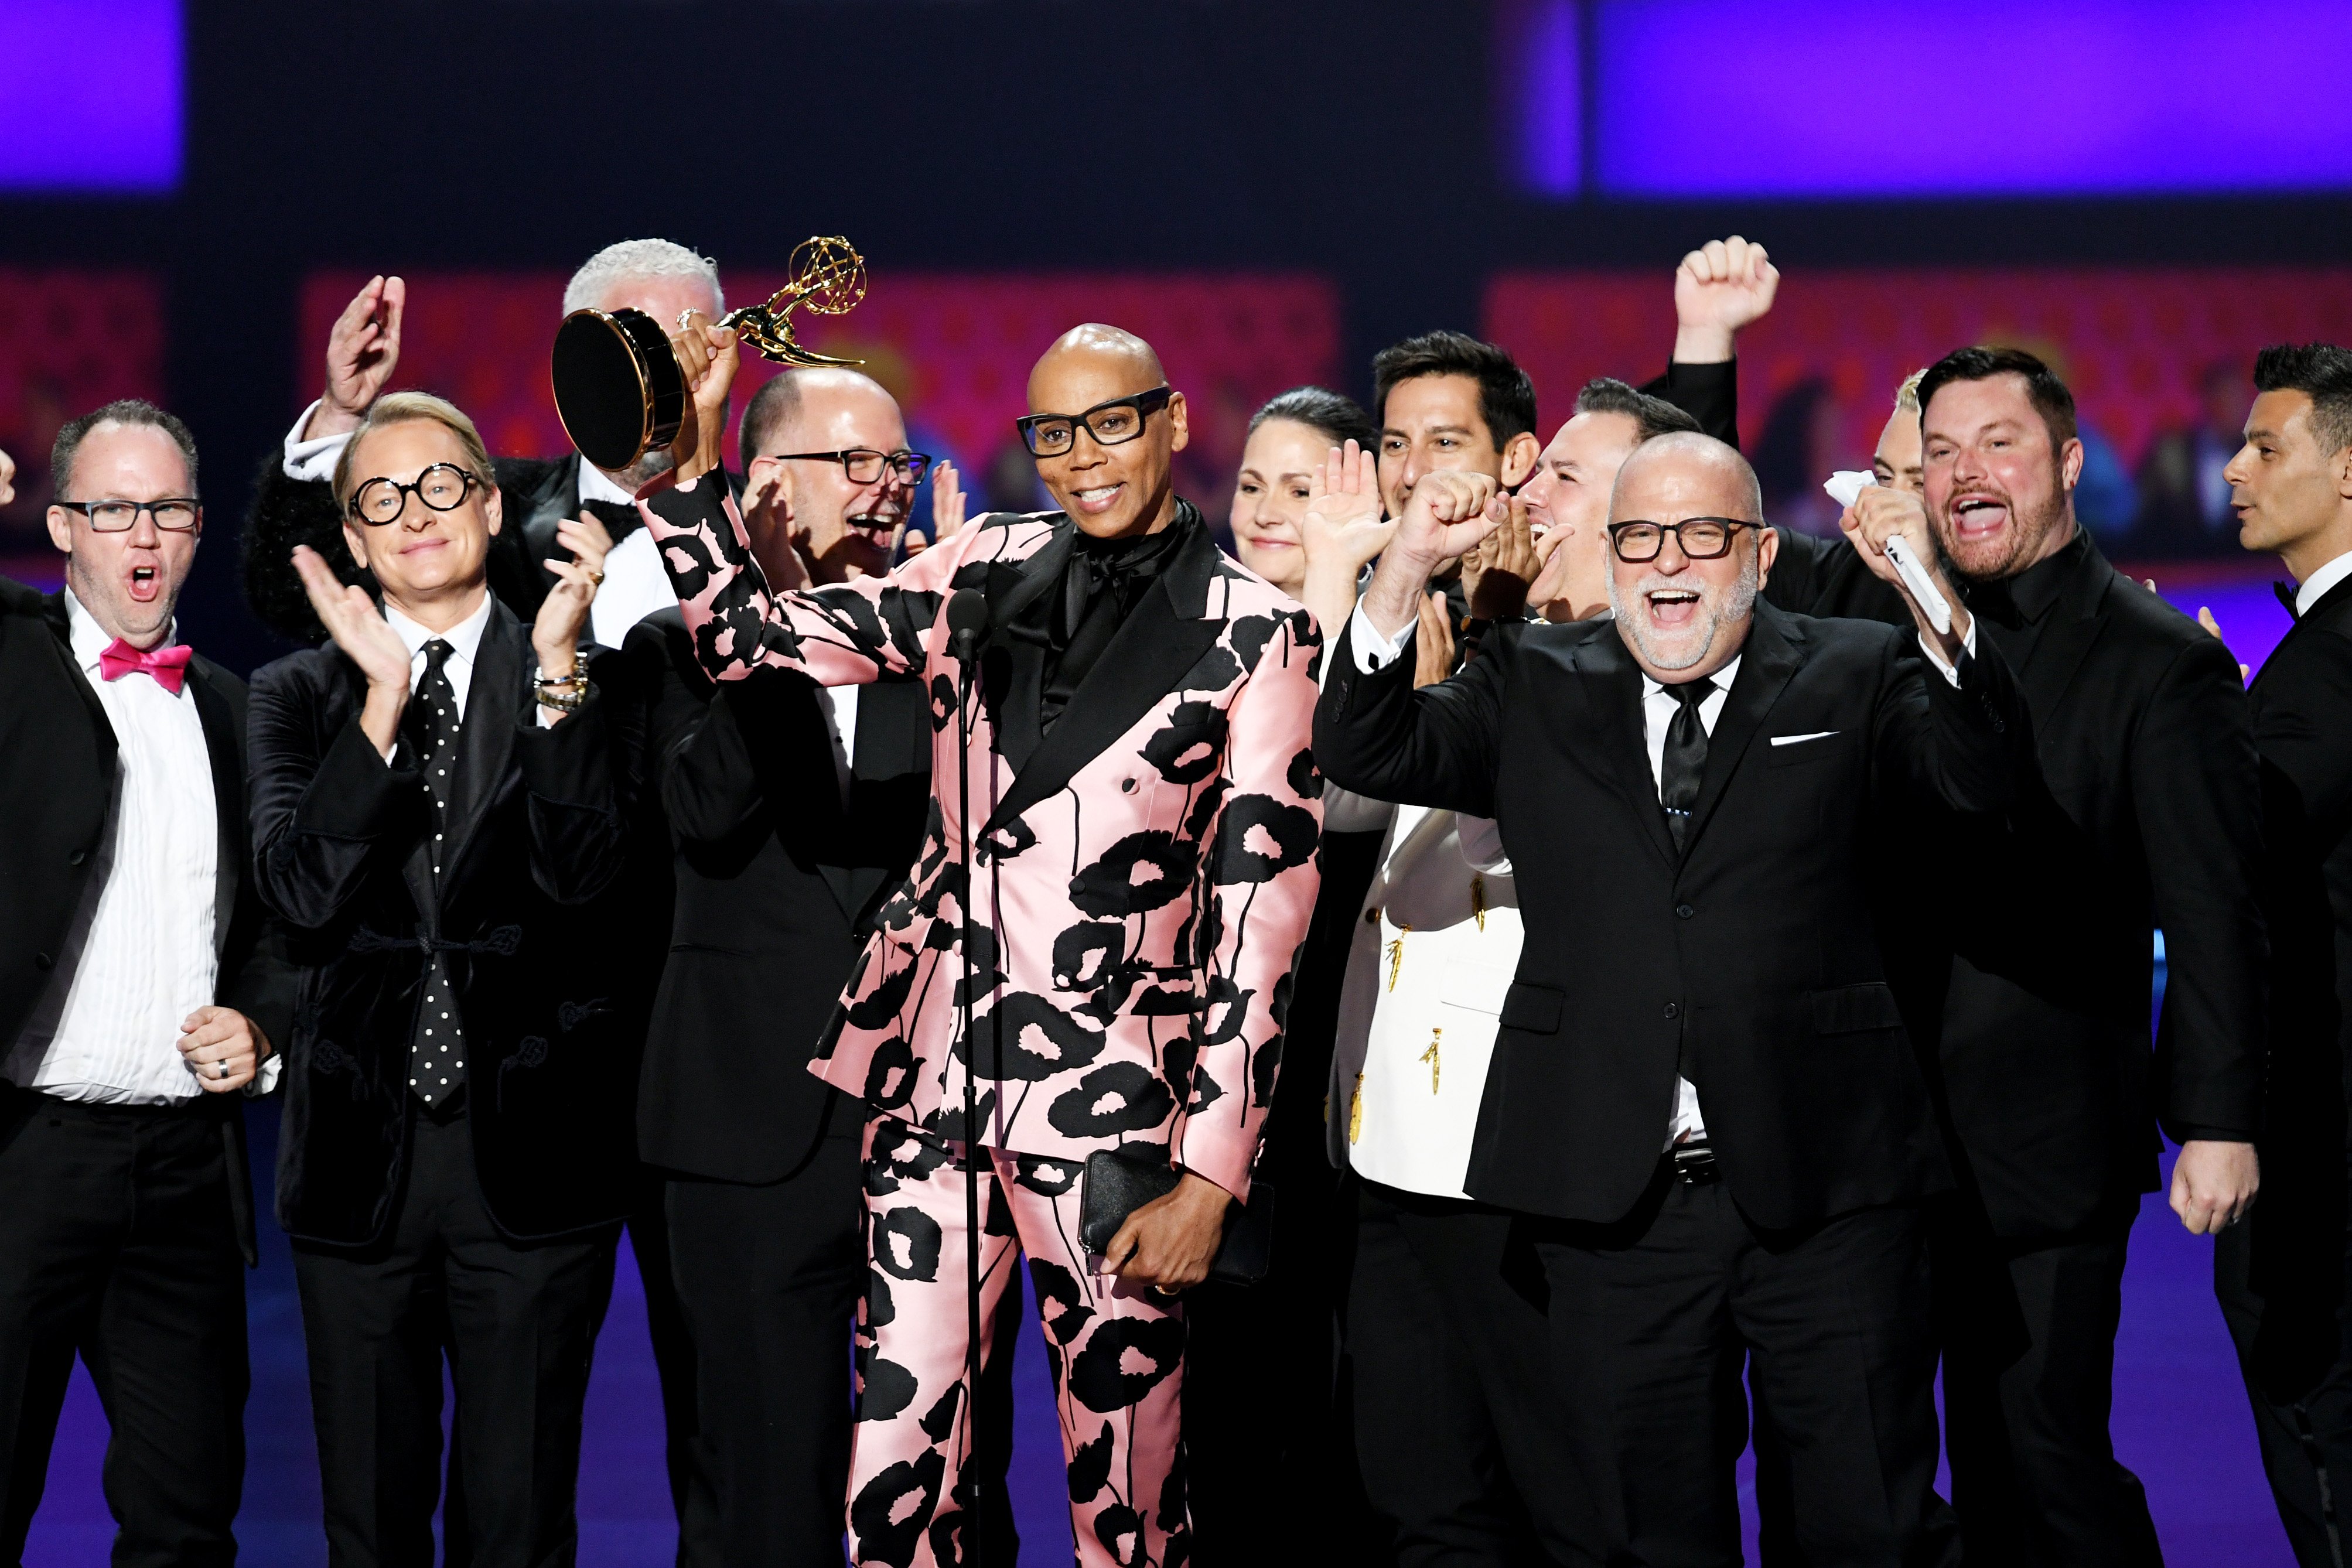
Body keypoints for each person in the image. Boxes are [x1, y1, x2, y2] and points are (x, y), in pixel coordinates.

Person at [639, 317, 1323, 1566]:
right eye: (1053, 433)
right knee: (898, 1477)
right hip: (933, 1100)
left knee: (1128, 1491)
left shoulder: (1256, 630)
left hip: (1121, 1122)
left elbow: (1260, 925)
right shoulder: (979, 566)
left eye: (1111, 421)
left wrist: (1213, 1175)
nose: (1083, 456)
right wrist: (686, 474)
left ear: (1171, 423)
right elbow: (746, 642)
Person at [1316, 430, 2025, 1563]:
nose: (1667, 565)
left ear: (1757, 551)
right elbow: (1369, 741)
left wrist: (1930, 595)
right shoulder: (1532, 677)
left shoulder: (1853, 665)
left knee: (1866, 1524)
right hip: (1615, 1200)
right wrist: (1401, 569)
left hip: (1828, 1183)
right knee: (1640, 1533)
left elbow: (1982, 779)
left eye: (1701, 535)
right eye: (1639, 536)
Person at [241, 240, 721, 1545]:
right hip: (357, 1170)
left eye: (442, 485)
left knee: (519, 1522)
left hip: (541, 1161)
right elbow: (300, 897)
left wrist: (563, 682)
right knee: (371, 1525)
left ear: (494, 502)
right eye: (381, 502)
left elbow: (584, 875)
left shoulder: (581, 670)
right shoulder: (301, 694)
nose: (416, 516)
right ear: (348, 536)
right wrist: (384, 709)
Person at [1773, 346, 2266, 1564]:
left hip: (2040, 1145)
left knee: (2036, 1461)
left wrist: (2217, 1114)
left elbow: (2211, 907)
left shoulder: (2160, 660)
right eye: (1937, 453)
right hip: (1867, 1137)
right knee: (1850, 1463)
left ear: (2067, 463)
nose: (1962, 473)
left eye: (1997, 442)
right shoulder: (1877, 624)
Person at [624, 365, 940, 1565]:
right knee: (757, 1474)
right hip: (746, 1127)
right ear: (765, 484)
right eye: (854, 463)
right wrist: (765, 625)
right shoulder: (674, 652)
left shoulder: (946, 644)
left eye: (895, 464)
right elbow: (702, 817)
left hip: (925, 1124)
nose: (884, 488)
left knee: (935, 1478)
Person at [0, 401, 295, 1564]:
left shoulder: (231, 705)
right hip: (25, 1155)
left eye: (168, 508)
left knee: (187, 1520)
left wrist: (261, 1023)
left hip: (182, 1175)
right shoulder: (16, 669)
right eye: (115, 507)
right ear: (64, 526)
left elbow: (273, 924)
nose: (144, 534)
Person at [1187, 383, 1384, 1566]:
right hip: (1207, 1079)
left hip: (1340, 1081)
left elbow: (1324, 805)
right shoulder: (1186, 636)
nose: (1264, 507)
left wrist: (1333, 594)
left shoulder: (1403, 646)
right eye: (1253, 481)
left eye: (1299, 485)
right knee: (1221, 1418)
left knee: (1337, 1421)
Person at [245, 239, 729, 650]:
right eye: (648, 354)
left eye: (697, 350)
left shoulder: (779, 521)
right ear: (582, 366)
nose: (677, 378)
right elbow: (295, 600)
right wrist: (340, 412)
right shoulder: (482, 508)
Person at [2216, 341, 2352, 1565]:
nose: (2233, 469)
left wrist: (2180, 713)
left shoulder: (2333, 662)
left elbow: (2239, 843)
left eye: (2267, 447)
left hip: (2324, 1146)